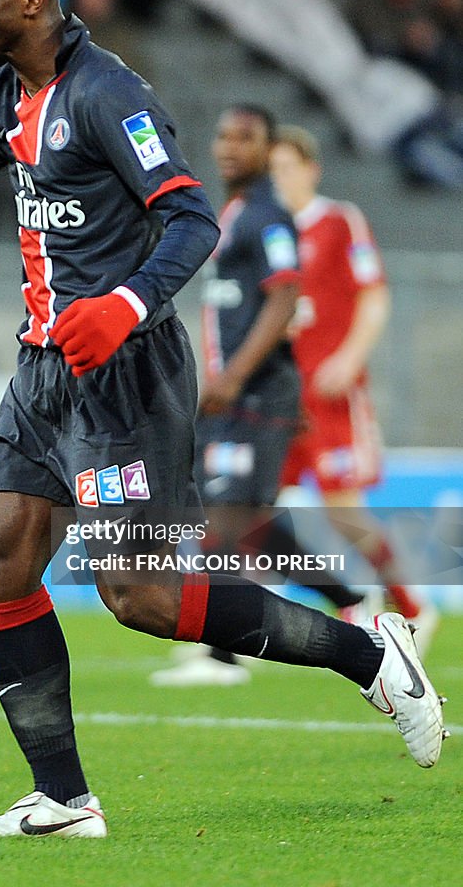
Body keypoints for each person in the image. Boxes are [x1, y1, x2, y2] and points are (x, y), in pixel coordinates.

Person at [0, 0, 446, 840]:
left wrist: (126, 305)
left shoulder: (108, 95)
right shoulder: (4, 101)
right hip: (44, 370)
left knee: (142, 597)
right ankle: (62, 799)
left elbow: (190, 217)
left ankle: (365, 652)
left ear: (29, 1)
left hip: (126, 370)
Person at [150, 106, 365, 688]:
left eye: (244, 138)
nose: (228, 146)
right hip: (240, 394)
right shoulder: (237, 209)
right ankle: (353, 600)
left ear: (268, 148)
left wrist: (233, 379)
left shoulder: (268, 214)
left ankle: (223, 655)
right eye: (222, 135)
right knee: (246, 523)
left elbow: (285, 296)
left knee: (227, 523)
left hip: (254, 394)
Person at [270, 125, 438, 655]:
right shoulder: (265, 228)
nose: (280, 179)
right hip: (277, 399)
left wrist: (349, 356)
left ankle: (411, 606)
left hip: (329, 396)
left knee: (344, 514)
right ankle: (226, 646)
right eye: (272, 169)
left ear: (311, 169)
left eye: (288, 168)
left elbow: (373, 295)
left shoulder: (339, 221)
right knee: (252, 513)